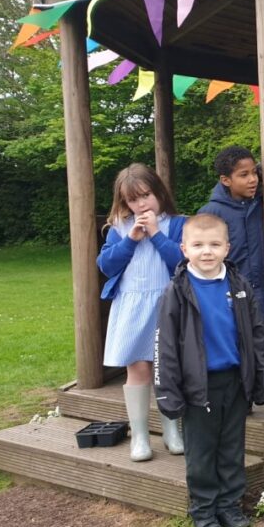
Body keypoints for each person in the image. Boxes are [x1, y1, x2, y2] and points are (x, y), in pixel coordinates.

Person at [154, 214, 264, 527]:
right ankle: (204, 512)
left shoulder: (239, 286)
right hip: (197, 388)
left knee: (231, 448)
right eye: (198, 245)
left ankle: (229, 506)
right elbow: (164, 346)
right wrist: (168, 392)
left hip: (234, 383)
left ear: (227, 248)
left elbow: (257, 335)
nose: (207, 252)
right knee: (202, 453)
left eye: (214, 245)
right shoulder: (176, 292)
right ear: (184, 248)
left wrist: (260, 379)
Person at [97, 163, 186, 462]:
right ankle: (140, 437)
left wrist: (157, 235)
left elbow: (181, 264)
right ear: (125, 202)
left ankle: (172, 431)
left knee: (167, 370)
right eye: (133, 200)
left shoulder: (176, 224)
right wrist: (131, 240)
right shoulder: (118, 229)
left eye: (146, 195)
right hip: (132, 307)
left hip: (167, 305)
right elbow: (106, 266)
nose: (141, 204)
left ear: (158, 192)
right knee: (138, 370)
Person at [198, 146, 264, 324]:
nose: (253, 180)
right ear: (226, 180)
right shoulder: (211, 213)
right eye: (244, 175)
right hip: (226, 300)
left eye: (254, 173)